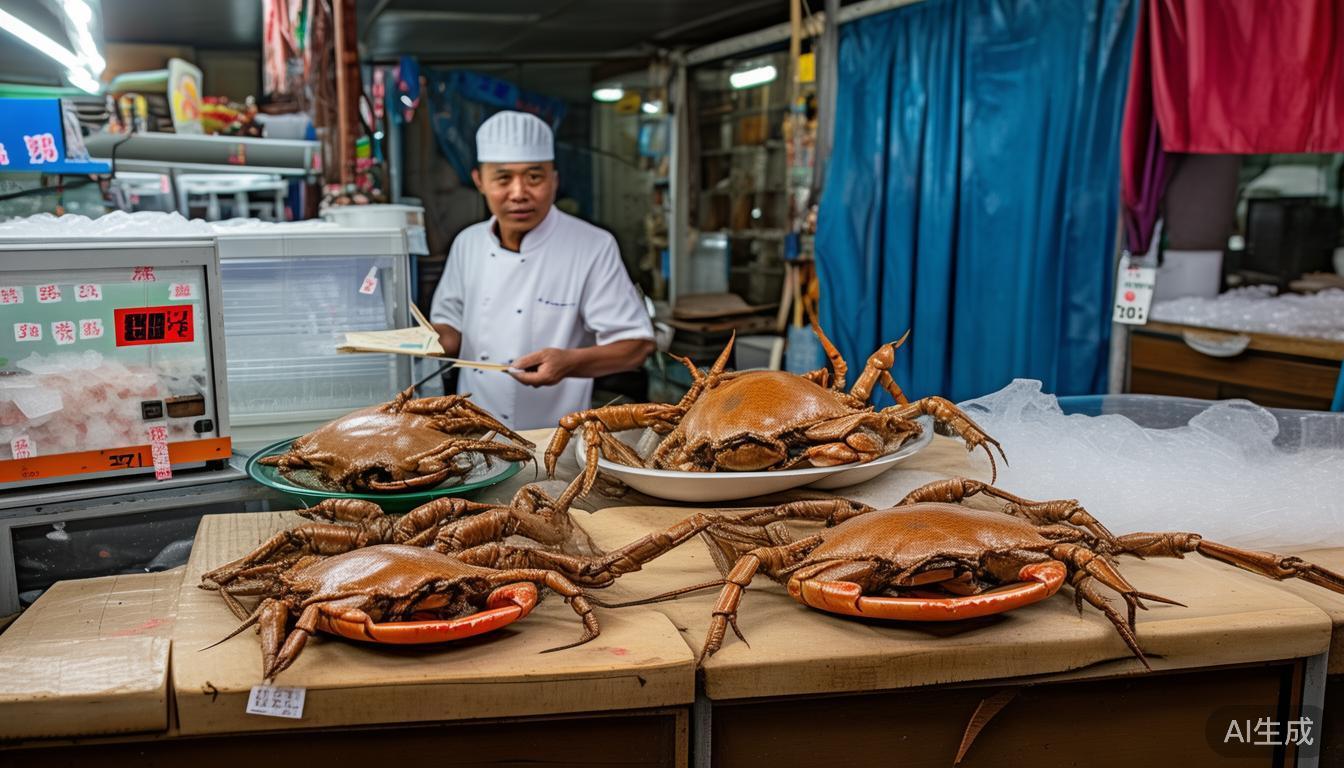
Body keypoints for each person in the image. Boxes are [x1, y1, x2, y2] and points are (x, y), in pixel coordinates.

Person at [430, 110, 655, 430]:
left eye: (534, 177)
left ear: (554, 179)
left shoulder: (593, 246)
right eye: (503, 178)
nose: (519, 193)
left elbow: (636, 345)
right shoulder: (468, 243)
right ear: (480, 181)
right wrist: (422, 340)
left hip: (556, 436)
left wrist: (569, 363)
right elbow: (449, 328)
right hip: (475, 432)